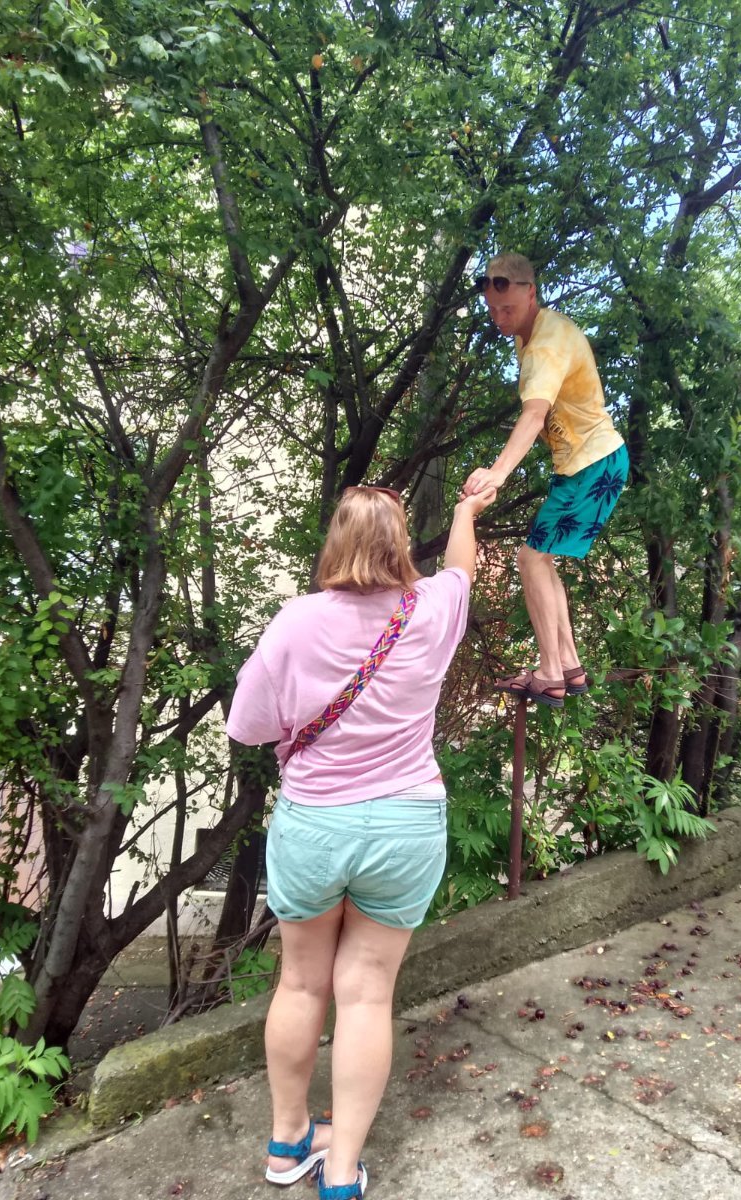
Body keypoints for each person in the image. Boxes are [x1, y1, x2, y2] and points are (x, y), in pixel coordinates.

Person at [225, 482, 496, 1200]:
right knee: (368, 995)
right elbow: (462, 567)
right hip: (406, 826)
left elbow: (246, 726)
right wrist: (465, 512)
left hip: (314, 824)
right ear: (400, 544)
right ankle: (342, 1171)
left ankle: (288, 1143)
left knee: (300, 982)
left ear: (336, 542)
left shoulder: (295, 621)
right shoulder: (432, 609)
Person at [461, 252, 629, 706]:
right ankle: (568, 664)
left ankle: (551, 672)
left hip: (594, 463)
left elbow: (535, 415)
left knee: (530, 559)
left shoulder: (545, 345)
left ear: (531, 293)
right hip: (584, 464)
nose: (500, 319)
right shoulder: (532, 333)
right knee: (540, 558)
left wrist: (496, 473)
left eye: (508, 309)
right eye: (493, 310)